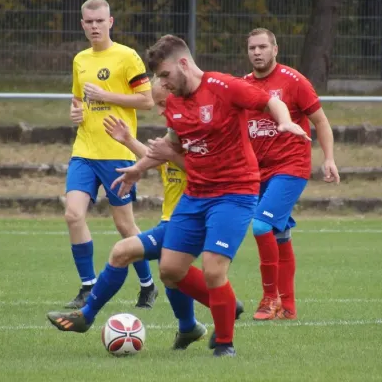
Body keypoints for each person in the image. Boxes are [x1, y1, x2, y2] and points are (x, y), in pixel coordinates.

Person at [111, 34, 310, 357]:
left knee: (214, 269)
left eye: (164, 75)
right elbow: (172, 146)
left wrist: (285, 121)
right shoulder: (174, 103)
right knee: (170, 269)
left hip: (235, 191)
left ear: (184, 64)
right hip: (196, 193)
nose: (162, 84)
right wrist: (138, 169)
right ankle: (228, 306)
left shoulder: (224, 86)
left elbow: (270, 101)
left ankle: (224, 345)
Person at [47, 80, 244, 350]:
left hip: (196, 219)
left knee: (122, 252)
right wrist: (129, 142)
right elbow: (159, 159)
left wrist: (161, 154)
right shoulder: (174, 136)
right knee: (171, 273)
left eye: (163, 103)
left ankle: (87, 314)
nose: (162, 110)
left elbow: (205, 172)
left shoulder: (201, 138)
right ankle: (193, 324)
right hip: (172, 221)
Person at [63, 0, 158, 310]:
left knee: (125, 227)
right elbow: (77, 101)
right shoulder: (80, 59)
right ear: (82, 24)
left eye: (99, 21)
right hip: (84, 150)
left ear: (110, 22)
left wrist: (106, 95)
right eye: (89, 22)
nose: (94, 26)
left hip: (118, 152)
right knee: (73, 214)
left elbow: (147, 101)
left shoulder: (127, 57)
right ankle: (88, 285)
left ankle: (148, 285)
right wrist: (75, 113)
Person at [243, 28, 340, 321]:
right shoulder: (243, 85)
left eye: (262, 47)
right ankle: (289, 306)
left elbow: (321, 121)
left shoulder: (294, 81)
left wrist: (329, 159)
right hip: (256, 171)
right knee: (280, 234)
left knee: (261, 226)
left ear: (275, 49)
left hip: (291, 166)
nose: (257, 53)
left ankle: (270, 298)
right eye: (252, 48)